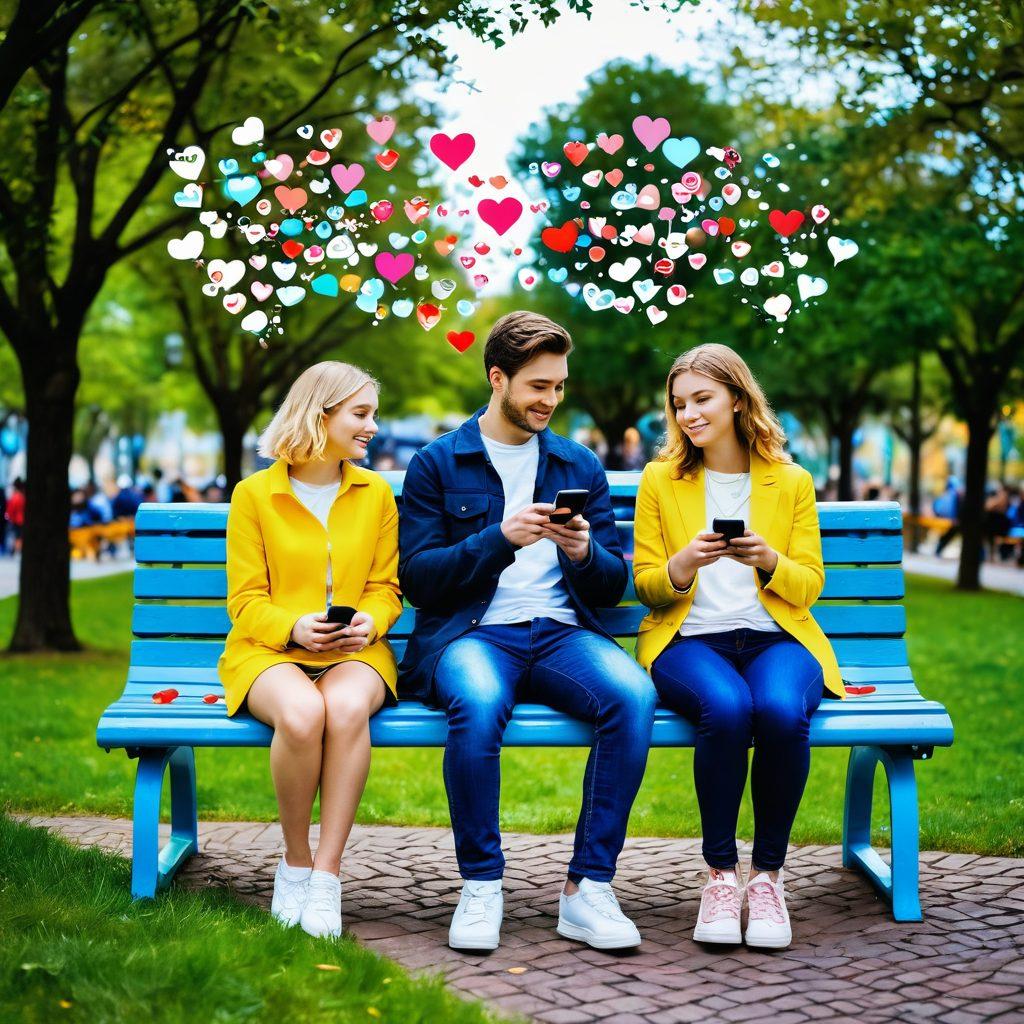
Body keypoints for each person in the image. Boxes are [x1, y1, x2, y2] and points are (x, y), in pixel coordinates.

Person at [398, 311, 656, 953]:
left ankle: (588, 888)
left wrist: (584, 551)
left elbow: (609, 586)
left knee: (633, 695)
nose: (551, 399)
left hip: (563, 635)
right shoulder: (437, 462)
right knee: (478, 701)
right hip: (475, 636)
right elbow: (420, 580)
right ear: (498, 378)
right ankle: (481, 884)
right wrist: (499, 538)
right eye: (538, 385)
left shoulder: (578, 463)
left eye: (559, 386)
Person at [632, 343, 844, 950]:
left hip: (778, 639)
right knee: (725, 709)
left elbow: (809, 586)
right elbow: (646, 585)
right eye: (680, 404)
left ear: (737, 399)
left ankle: (768, 877)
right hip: (689, 640)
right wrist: (683, 563)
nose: (689, 414)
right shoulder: (661, 479)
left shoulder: (791, 481)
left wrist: (769, 559)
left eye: (702, 399)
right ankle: (721, 876)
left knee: (779, 711)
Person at [218, 361, 402, 940]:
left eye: (373, 414)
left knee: (343, 709)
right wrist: (293, 627)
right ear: (320, 414)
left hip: (355, 651)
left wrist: (370, 622)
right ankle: (295, 864)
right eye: (361, 414)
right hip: (269, 648)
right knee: (302, 715)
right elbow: (245, 600)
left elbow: (386, 588)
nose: (373, 427)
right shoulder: (255, 495)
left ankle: (326, 875)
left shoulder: (376, 493)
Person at [6, 477, 25, 554]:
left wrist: (9, 518)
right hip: (21, 520)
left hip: (16, 520)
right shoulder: (22, 496)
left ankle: (16, 551)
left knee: (17, 536)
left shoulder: (15, 497)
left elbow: (10, 510)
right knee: (19, 536)